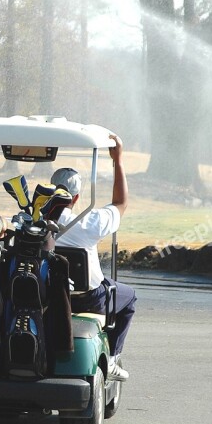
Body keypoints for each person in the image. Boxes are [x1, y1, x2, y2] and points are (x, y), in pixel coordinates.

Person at [51, 134, 136, 382]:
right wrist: (117, 160)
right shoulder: (88, 222)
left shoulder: (34, 220)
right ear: (76, 198)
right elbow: (121, 202)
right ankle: (112, 358)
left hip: (47, 294)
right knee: (129, 297)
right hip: (88, 299)